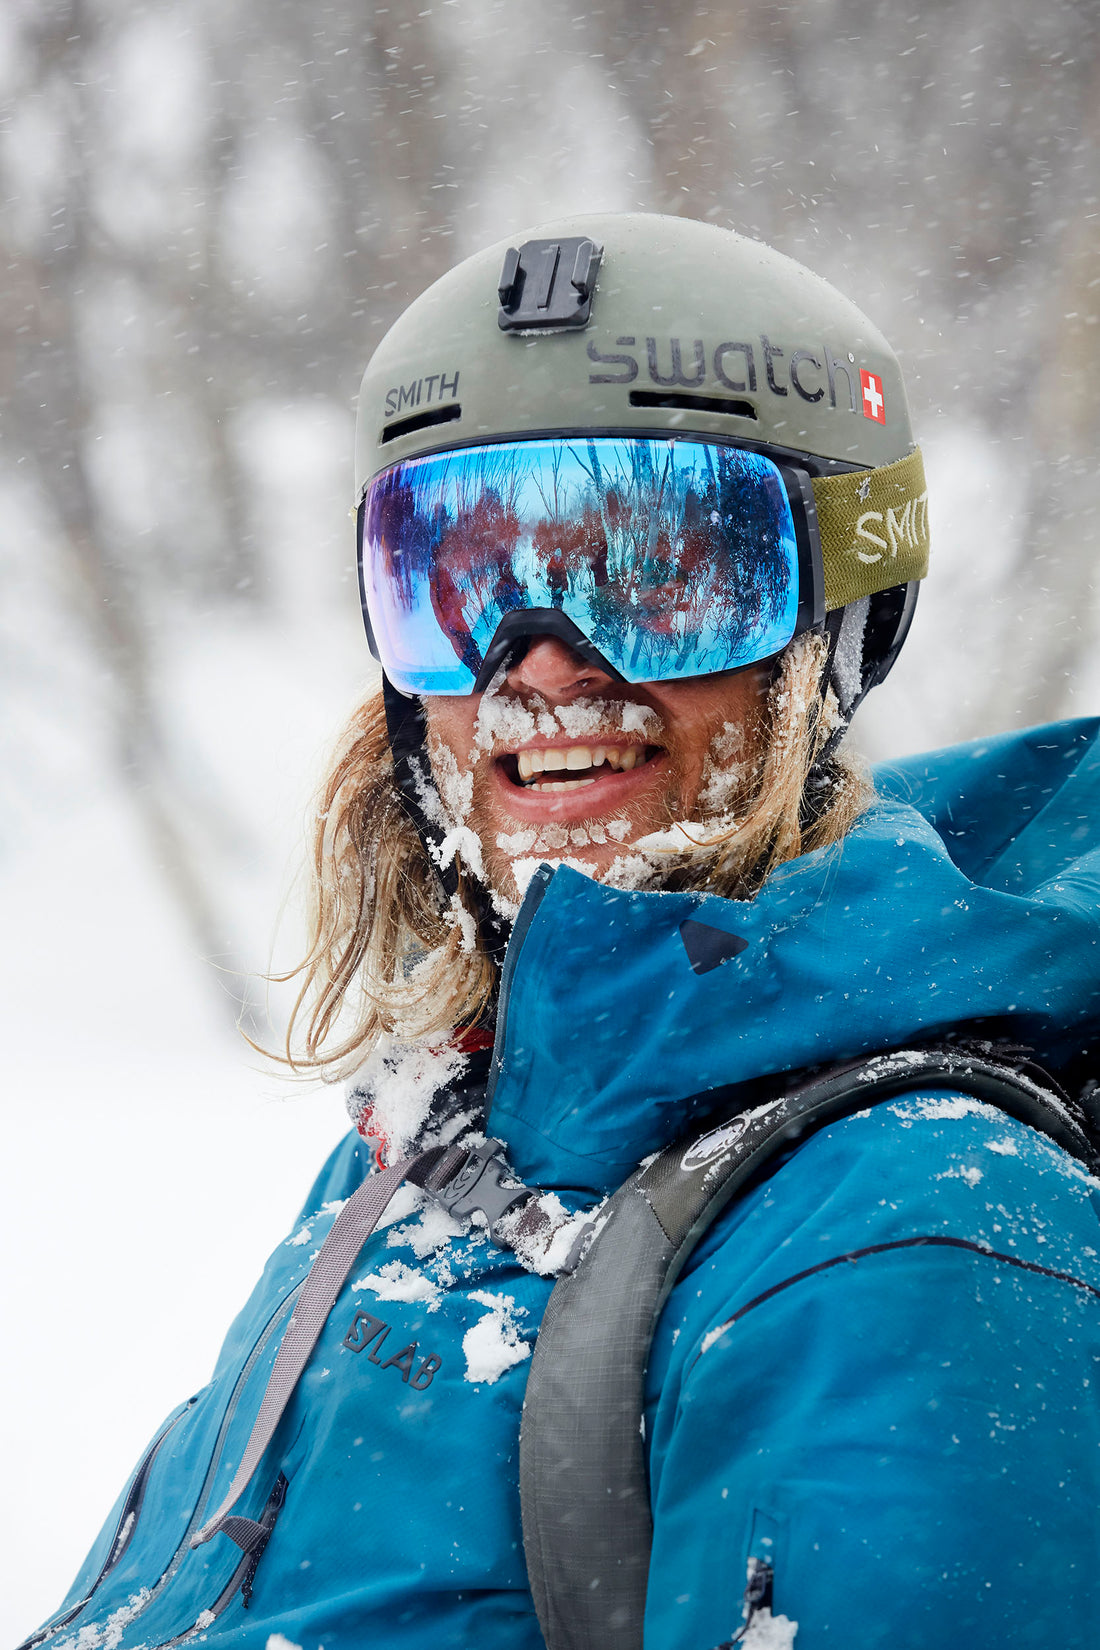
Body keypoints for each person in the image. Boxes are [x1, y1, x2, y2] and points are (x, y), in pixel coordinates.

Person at [26, 215, 1100, 1650]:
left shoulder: (909, 1237)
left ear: (836, 616)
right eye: (458, 580)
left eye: (657, 573)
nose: (540, 664)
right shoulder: (469, 1117)